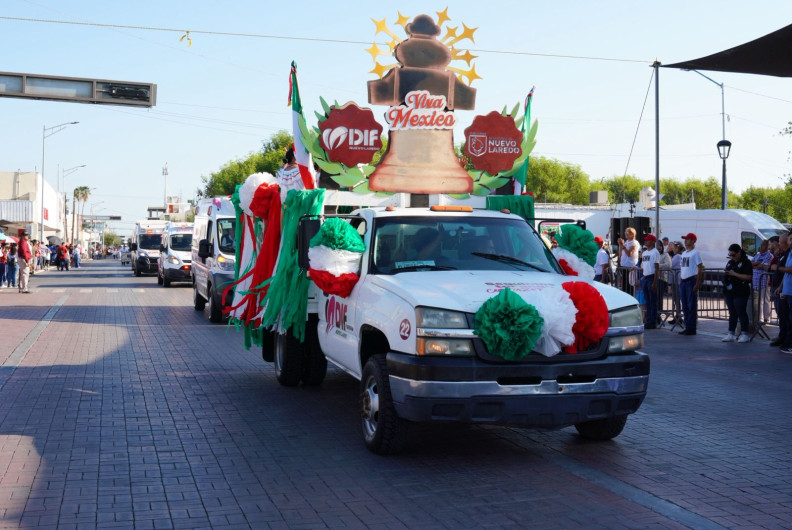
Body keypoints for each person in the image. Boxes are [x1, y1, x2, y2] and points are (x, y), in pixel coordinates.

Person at [722, 243, 753, 343]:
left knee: (741, 312)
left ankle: (745, 334)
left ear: (739, 252)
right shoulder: (731, 262)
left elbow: (748, 277)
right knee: (732, 313)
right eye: (730, 255)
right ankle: (731, 333)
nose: (732, 257)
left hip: (741, 291)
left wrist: (734, 274)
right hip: (729, 291)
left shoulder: (746, 262)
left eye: (734, 255)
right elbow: (727, 273)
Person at [678, 233, 704, 336]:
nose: (686, 241)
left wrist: (697, 283)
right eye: (685, 239)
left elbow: (700, 267)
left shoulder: (695, 252)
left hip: (690, 280)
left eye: (688, 239)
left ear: (693, 241)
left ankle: (691, 327)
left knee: (691, 305)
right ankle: (687, 326)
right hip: (684, 281)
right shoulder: (684, 253)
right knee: (684, 305)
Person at [770, 233, 790, 348]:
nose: (779, 244)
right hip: (780, 287)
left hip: (784, 289)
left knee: (785, 316)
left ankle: (786, 338)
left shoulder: (788, 254)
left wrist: (781, 286)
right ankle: (782, 336)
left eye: (780, 241)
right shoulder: (784, 254)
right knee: (782, 315)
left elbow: (786, 271)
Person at [750, 239, 773, 325]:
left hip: (764, 281)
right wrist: (756, 264)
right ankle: (759, 318)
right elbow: (751, 264)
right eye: (761, 245)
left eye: (763, 245)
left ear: (767, 247)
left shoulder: (770, 256)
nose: (761, 246)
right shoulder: (757, 255)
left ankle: (766, 318)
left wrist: (757, 265)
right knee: (758, 301)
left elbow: (764, 266)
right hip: (755, 280)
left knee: (764, 300)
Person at [640, 235, 660, 329]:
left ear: (652, 242)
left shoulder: (655, 252)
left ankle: (653, 321)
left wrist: (655, 282)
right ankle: (649, 320)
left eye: (647, 240)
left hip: (652, 277)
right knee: (648, 301)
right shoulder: (644, 253)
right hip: (646, 277)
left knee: (652, 301)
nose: (645, 242)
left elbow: (657, 268)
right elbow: (644, 266)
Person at [617, 227, 639, 295]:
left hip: (630, 268)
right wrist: (620, 245)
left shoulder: (634, 243)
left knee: (629, 287)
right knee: (624, 287)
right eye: (625, 232)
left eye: (628, 232)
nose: (626, 234)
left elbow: (630, 254)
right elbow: (620, 254)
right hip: (624, 266)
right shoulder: (626, 242)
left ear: (632, 234)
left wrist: (623, 246)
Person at [656, 239, 672, 320]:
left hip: (661, 278)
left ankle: (659, 315)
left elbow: (668, 265)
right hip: (653, 278)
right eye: (657, 245)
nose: (659, 247)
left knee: (659, 297)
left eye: (660, 245)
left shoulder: (665, 255)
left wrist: (657, 266)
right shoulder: (652, 254)